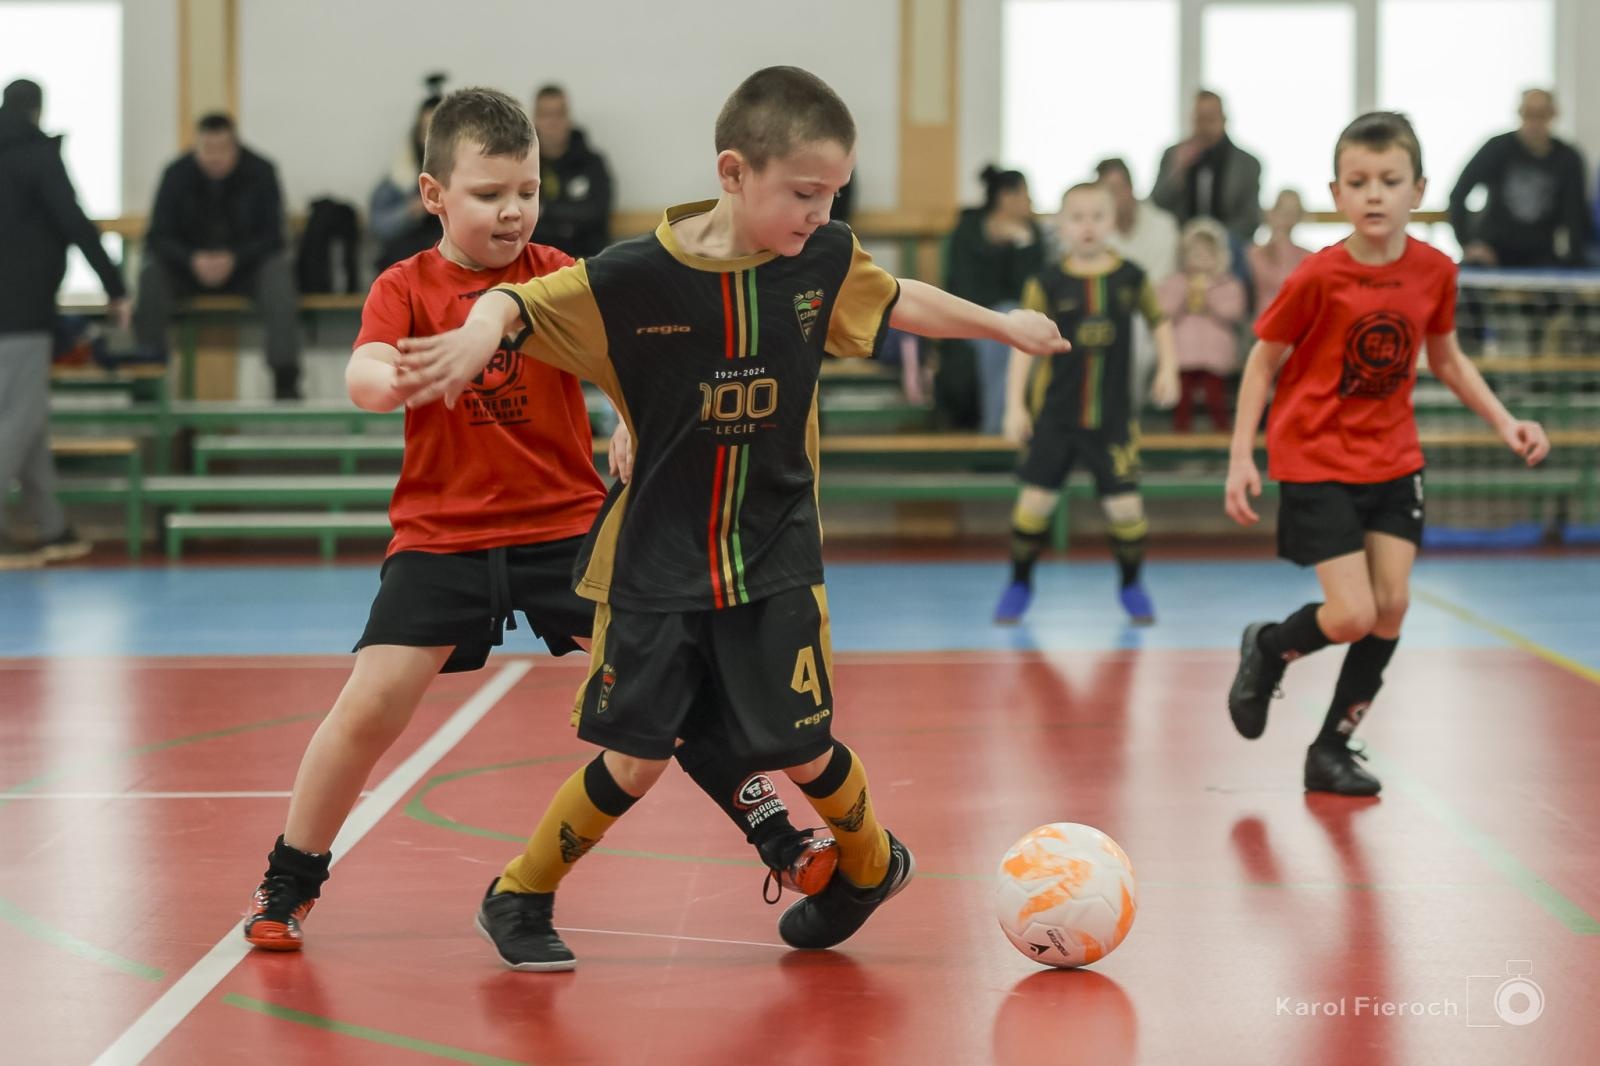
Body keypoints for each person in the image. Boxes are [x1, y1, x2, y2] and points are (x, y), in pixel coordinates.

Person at [396, 66, 1068, 970]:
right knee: (634, 758)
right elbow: (515, 303)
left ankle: (869, 868)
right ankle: (518, 895)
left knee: (801, 746)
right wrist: (480, 331)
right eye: (802, 193)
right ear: (733, 172)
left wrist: (1004, 324)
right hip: (657, 563)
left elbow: (898, 296)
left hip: (774, 555)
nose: (820, 214)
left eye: (833, 193)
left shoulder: (821, 262)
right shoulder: (633, 280)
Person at [240, 88, 834, 955]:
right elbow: (367, 371)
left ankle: (776, 831)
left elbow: (648, 370)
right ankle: (289, 879)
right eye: (488, 194)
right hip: (442, 539)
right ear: (435, 194)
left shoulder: (560, 277)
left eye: (527, 188)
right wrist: (389, 381)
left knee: (670, 684)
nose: (512, 209)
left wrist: (632, 422)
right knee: (369, 707)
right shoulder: (405, 287)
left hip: (567, 533)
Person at [1224, 112, 1551, 796]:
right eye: (1358, 181)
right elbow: (1262, 362)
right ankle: (1267, 646)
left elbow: (1446, 357)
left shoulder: (1434, 271)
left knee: (1392, 605)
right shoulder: (1318, 277)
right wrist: (1241, 456)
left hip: (1394, 458)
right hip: (1314, 457)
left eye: (1390, 180)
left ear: (1418, 188)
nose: (1374, 194)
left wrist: (1505, 420)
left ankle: (1330, 749)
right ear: (1337, 193)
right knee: (1350, 616)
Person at [994, 182, 1180, 627]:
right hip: (1055, 418)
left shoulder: (1131, 276)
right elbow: (1021, 344)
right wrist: (1014, 406)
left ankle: (1132, 585)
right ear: (1061, 225)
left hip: (1112, 419)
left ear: (1113, 221)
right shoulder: (1046, 282)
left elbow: (1160, 323)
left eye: (1098, 216)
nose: (1088, 226)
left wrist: (1168, 368)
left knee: (1126, 509)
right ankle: (1019, 584)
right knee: (1034, 504)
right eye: (1077, 218)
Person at [0, 78, 128, 569]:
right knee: (19, 420)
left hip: (16, 314)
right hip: (22, 312)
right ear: (37, 110)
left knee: (28, 424)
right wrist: (115, 286)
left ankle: (53, 527)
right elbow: (74, 223)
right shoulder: (37, 155)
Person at [135, 113, 303, 399]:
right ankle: (147, 376)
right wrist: (192, 260)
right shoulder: (176, 174)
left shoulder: (261, 171)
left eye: (222, 150)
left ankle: (285, 380)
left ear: (235, 147)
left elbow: (274, 237)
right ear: (196, 147)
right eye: (207, 150)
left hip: (245, 269)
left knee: (278, 276)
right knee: (151, 275)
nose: (215, 158)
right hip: (187, 271)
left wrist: (235, 258)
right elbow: (158, 237)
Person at [942, 166, 1045, 432]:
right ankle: (997, 433)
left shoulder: (1031, 234)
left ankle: (997, 432)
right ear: (1006, 197)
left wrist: (1023, 246)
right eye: (1025, 194)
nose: (1030, 202)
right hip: (966, 319)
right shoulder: (969, 230)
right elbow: (962, 288)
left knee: (1008, 329)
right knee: (1004, 332)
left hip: (1012, 321)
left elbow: (1034, 292)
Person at [1449, 90, 1590, 268]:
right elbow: (1458, 194)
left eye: (1541, 114)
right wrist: (1468, 244)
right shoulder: (1497, 148)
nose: (1534, 123)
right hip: (1492, 252)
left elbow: (1575, 215)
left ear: (1553, 115)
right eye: (1528, 114)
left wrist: (1575, 263)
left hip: (1541, 255)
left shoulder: (1568, 158)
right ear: (1520, 114)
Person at [1159, 218, 1246, 432]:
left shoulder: (1228, 283)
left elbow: (1234, 313)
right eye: (1194, 254)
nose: (1200, 261)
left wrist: (1209, 298)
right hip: (1183, 353)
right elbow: (1163, 311)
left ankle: (1222, 433)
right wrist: (1184, 296)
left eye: (1206, 255)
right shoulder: (1175, 282)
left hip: (1214, 355)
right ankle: (1181, 436)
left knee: (1216, 397)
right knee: (1182, 398)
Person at [1152, 91, 1263, 247]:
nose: (1204, 127)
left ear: (1224, 120)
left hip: (1230, 246)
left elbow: (1250, 219)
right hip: (1181, 245)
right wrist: (1178, 171)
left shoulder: (1247, 164)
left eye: (1210, 119)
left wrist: (1214, 242)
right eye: (1199, 120)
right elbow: (1157, 205)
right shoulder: (1173, 155)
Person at [370, 75, 445, 272]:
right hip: (412, 263)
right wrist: (411, 211)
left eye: (438, 131)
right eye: (425, 131)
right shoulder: (400, 175)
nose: (430, 140)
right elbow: (380, 226)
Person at [529, 85, 613, 260]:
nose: (552, 122)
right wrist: (569, 219)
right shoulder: (522, 164)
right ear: (535, 119)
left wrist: (546, 210)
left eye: (559, 114)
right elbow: (523, 219)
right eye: (545, 115)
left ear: (569, 118)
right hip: (536, 264)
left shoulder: (592, 163)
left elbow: (596, 214)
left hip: (586, 263)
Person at [1095, 158, 1179, 279]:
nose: (1109, 198)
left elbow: (1163, 279)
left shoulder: (1164, 226)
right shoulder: (1096, 233)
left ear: (1129, 188)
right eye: (1104, 192)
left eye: (1114, 189)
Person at [1246, 189, 1311, 313]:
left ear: (1298, 217)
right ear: (1272, 212)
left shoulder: (1307, 257)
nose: (1286, 216)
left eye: (1293, 211)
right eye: (1283, 208)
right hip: (1262, 322)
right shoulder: (1253, 253)